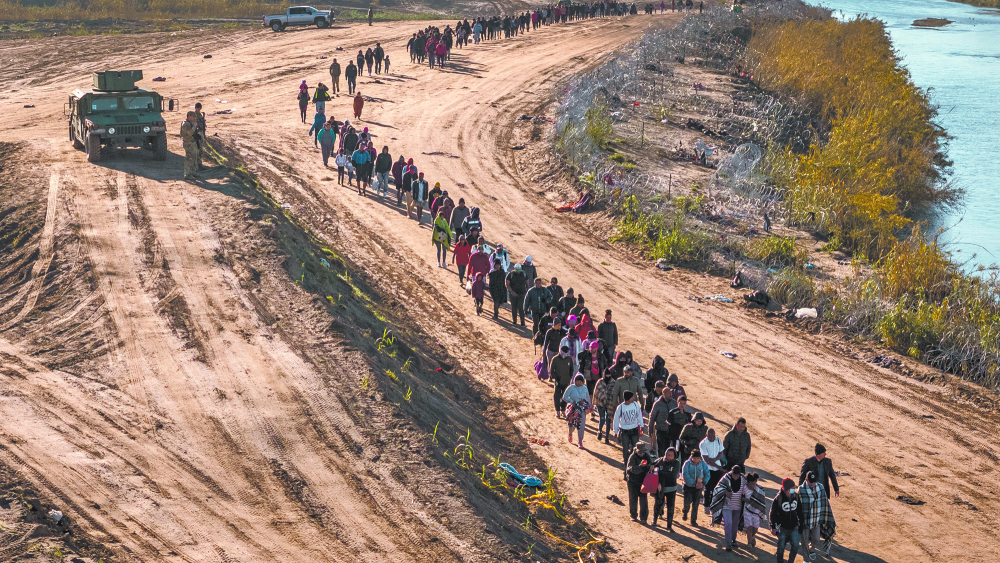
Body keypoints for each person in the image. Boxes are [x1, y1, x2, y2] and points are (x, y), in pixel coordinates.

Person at [710, 465, 747, 551]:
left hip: (738, 507)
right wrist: (725, 492)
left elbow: (748, 490)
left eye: (737, 475)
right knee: (728, 523)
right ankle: (728, 543)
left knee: (735, 524)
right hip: (727, 505)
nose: (735, 477)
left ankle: (733, 539)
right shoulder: (726, 478)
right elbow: (717, 489)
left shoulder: (744, 480)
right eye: (734, 475)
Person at [799, 471, 835, 559]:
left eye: (814, 481)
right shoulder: (801, 489)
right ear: (806, 479)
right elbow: (798, 506)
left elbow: (824, 502)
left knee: (816, 539)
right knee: (804, 541)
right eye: (811, 482)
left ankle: (811, 548)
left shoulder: (820, 487)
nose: (813, 484)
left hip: (816, 519)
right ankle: (806, 559)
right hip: (805, 521)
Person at [770, 479, 805, 563]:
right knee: (781, 546)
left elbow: (800, 511)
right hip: (782, 527)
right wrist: (773, 527)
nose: (794, 490)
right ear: (786, 489)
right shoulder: (778, 498)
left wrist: (801, 525)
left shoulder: (796, 497)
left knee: (796, 545)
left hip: (794, 526)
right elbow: (772, 513)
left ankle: (791, 561)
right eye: (792, 488)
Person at [613, 390, 644, 476]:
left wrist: (641, 425)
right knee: (625, 449)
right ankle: (626, 466)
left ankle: (634, 465)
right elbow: (616, 419)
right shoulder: (621, 407)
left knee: (635, 448)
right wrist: (615, 431)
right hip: (624, 431)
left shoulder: (635, 405)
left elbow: (639, 415)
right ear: (628, 398)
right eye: (632, 397)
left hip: (634, 430)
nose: (633, 398)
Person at [652, 446, 681, 530]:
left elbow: (672, 475)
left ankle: (669, 525)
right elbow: (652, 466)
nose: (669, 457)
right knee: (658, 504)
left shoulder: (676, 463)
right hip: (660, 488)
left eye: (671, 455)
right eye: (668, 455)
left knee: (670, 507)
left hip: (671, 488)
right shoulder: (660, 460)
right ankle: (654, 520)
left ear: (674, 456)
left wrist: (659, 472)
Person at [625, 442, 653, 523]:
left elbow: (650, 465)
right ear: (636, 450)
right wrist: (641, 466)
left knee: (643, 500)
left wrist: (650, 467)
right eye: (640, 452)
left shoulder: (646, 456)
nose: (642, 454)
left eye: (643, 452)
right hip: (632, 481)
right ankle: (633, 515)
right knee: (633, 498)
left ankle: (644, 517)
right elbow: (631, 469)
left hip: (643, 481)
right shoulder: (632, 457)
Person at [699, 428, 725, 512]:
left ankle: (714, 506)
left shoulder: (718, 440)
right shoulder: (703, 444)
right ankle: (706, 505)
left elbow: (721, 453)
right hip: (708, 469)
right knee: (708, 488)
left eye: (713, 436)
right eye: (710, 436)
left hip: (717, 469)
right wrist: (718, 466)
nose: (712, 438)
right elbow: (707, 460)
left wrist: (715, 460)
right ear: (706, 435)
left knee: (716, 488)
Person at [680, 449, 708, 526]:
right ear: (691, 457)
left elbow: (707, 473)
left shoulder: (702, 464)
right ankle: (685, 511)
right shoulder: (687, 464)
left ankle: (693, 520)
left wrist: (703, 483)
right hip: (688, 487)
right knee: (687, 503)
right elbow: (685, 475)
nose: (696, 460)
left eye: (698, 458)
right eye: (694, 458)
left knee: (696, 504)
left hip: (698, 488)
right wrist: (694, 483)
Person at [562, 374, 591, 447]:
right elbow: (565, 397)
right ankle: (570, 433)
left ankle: (580, 440)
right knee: (572, 424)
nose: (578, 383)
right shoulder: (571, 388)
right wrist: (571, 401)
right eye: (577, 381)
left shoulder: (585, 388)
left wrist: (589, 407)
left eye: (580, 381)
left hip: (582, 408)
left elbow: (587, 398)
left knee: (581, 425)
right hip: (573, 408)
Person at [742, 473, 767, 554]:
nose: (752, 486)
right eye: (751, 484)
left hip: (756, 511)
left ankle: (752, 537)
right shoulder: (744, 488)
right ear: (748, 482)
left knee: (755, 528)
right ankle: (749, 544)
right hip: (747, 510)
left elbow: (761, 501)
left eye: (754, 484)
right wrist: (745, 500)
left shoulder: (760, 489)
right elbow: (741, 497)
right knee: (749, 527)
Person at [550, 345, 574, 417]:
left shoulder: (569, 359)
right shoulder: (555, 359)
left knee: (565, 396)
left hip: (566, 381)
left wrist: (570, 377)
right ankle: (557, 410)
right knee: (557, 395)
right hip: (558, 381)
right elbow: (551, 370)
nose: (565, 354)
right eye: (564, 352)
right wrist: (555, 377)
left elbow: (571, 369)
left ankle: (563, 410)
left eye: (566, 353)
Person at [592, 369, 614, 443]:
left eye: (609, 375)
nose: (608, 376)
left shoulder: (613, 382)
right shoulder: (600, 382)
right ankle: (600, 431)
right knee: (602, 419)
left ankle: (607, 437)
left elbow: (614, 393)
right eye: (606, 375)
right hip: (600, 404)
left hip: (609, 404)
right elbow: (596, 392)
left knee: (608, 421)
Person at [180, 111, 200, 180]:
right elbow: (190, 133)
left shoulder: (190, 123)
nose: (194, 118)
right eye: (193, 116)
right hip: (188, 143)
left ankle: (192, 172)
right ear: (189, 116)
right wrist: (194, 126)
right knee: (189, 158)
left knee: (194, 157)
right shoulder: (186, 124)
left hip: (192, 142)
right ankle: (187, 174)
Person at [193, 102, 207, 169]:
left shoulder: (200, 115)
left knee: (201, 149)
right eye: (198, 108)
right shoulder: (193, 115)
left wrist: (204, 135)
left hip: (201, 133)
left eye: (199, 108)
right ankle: (197, 164)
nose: (198, 109)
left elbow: (203, 126)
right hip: (196, 134)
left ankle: (199, 163)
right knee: (197, 149)